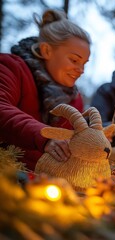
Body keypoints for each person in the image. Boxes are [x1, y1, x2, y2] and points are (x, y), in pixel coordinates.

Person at [0, 9, 91, 170]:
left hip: (48, 183)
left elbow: (70, 145)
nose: (81, 70)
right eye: (74, 60)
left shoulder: (74, 99)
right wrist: (46, 136)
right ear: (46, 50)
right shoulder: (11, 68)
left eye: (84, 63)